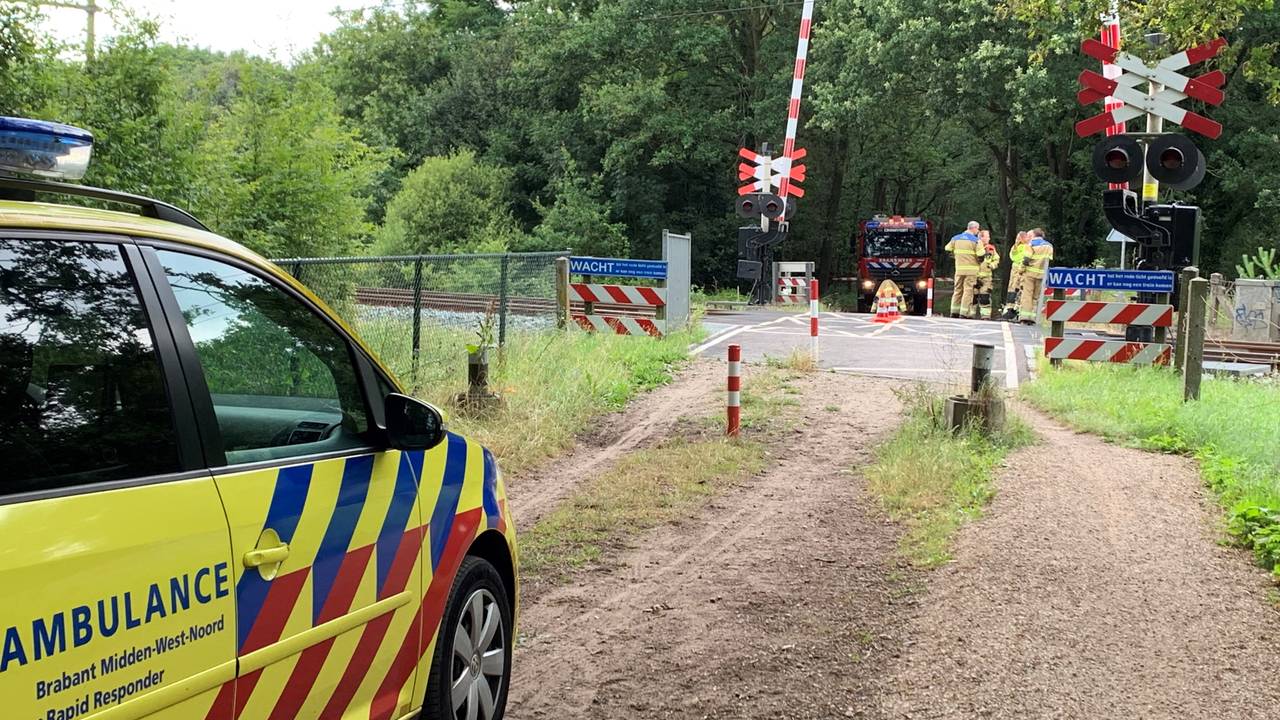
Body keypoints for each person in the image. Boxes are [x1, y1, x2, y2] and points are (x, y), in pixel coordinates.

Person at [944, 221, 985, 319]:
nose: (978, 231)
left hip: (959, 269)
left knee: (957, 290)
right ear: (974, 228)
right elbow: (981, 254)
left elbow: (947, 248)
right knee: (968, 291)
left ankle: (954, 312)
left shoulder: (955, 238)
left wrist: (955, 255)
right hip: (971, 271)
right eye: (977, 229)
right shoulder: (976, 240)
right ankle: (963, 313)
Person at [1018, 228, 1054, 324]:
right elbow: (1048, 260)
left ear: (1033, 236)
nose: (1028, 237)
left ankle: (1025, 316)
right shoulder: (1049, 246)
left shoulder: (1031, 245)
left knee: (1027, 295)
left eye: (1030, 236)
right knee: (1036, 297)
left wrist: (1020, 270)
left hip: (1029, 274)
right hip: (1042, 275)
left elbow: (1026, 259)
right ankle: (1033, 317)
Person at [1002, 231, 1031, 321]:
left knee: (1015, 290)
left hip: (1017, 271)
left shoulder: (1016, 247)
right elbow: (1017, 257)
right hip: (1019, 271)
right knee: (1016, 291)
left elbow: (1013, 257)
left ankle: (1011, 310)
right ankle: (1013, 311)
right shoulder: (1025, 247)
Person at [974, 231, 1000, 319]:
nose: (989, 238)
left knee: (985, 297)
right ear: (981, 238)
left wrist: (992, 265)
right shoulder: (974, 246)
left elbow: (996, 259)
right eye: (987, 236)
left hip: (986, 277)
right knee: (972, 297)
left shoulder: (991, 248)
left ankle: (985, 316)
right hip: (974, 277)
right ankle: (969, 315)